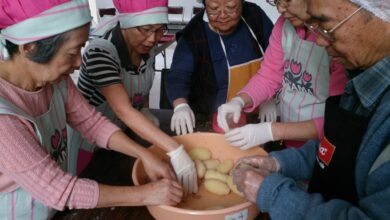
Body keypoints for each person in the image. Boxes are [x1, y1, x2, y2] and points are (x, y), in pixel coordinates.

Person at [0, 0, 183, 218]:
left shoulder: (55, 80)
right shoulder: (4, 114)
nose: (79, 62)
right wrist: (145, 194)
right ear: (29, 47)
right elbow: (60, 190)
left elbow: (91, 123)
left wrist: (144, 155)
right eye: (72, 52)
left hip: (53, 205)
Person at [232, 0, 390, 219]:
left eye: (324, 23)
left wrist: (273, 193)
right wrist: (280, 161)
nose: (319, 39)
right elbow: (336, 145)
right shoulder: (360, 78)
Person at [74, 0, 197, 193]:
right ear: (126, 23)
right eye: (146, 29)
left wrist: (145, 109)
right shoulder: (101, 52)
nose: (152, 38)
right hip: (90, 146)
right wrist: (175, 148)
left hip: (123, 137)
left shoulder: (147, 50)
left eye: (159, 30)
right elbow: (122, 109)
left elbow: (142, 83)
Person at [217, 0, 347, 150]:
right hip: (287, 138)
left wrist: (271, 131)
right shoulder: (283, 25)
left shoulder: (338, 40)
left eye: (286, 1)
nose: (280, 8)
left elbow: (337, 120)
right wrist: (239, 100)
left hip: (322, 146)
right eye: (275, 1)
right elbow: (269, 75)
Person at [165, 0, 274, 135]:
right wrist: (181, 105)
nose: (223, 15)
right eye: (214, 9)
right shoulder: (193, 34)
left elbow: (277, 56)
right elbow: (178, 74)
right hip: (213, 120)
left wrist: (269, 98)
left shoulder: (254, 15)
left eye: (231, 7)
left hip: (258, 115)